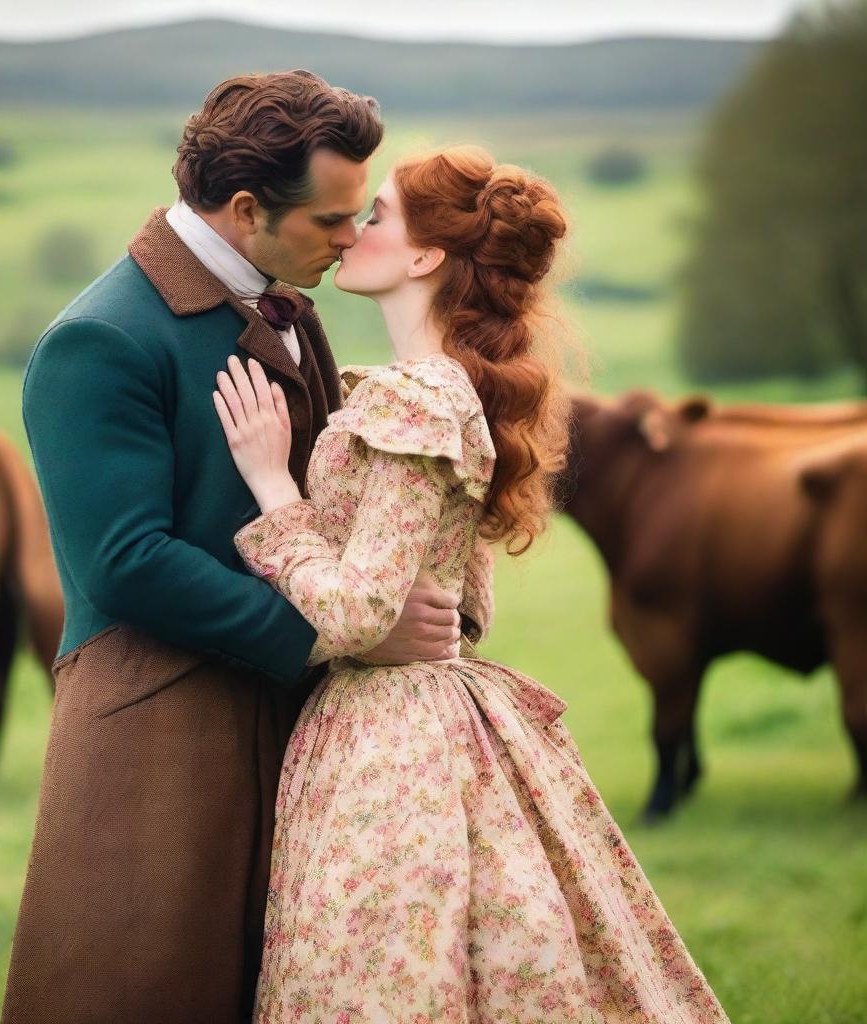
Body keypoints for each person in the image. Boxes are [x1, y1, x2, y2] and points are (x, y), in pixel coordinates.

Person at [1, 71, 483, 1024]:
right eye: (332, 222)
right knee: (141, 994)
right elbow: (125, 562)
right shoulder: (97, 341)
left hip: (286, 709)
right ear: (246, 207)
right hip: (158, 725)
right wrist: (337, 635)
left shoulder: (283, 303)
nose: (353, 240)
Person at [212, 146, 732, 1022]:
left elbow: (354, 613)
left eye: (373, 216)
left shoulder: (415, 398)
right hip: (424, 720)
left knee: (375, 982)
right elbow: (466, 603)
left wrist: (274, 492)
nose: (349, 232)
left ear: (424, 258)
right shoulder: (446, 390)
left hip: (389, 743)